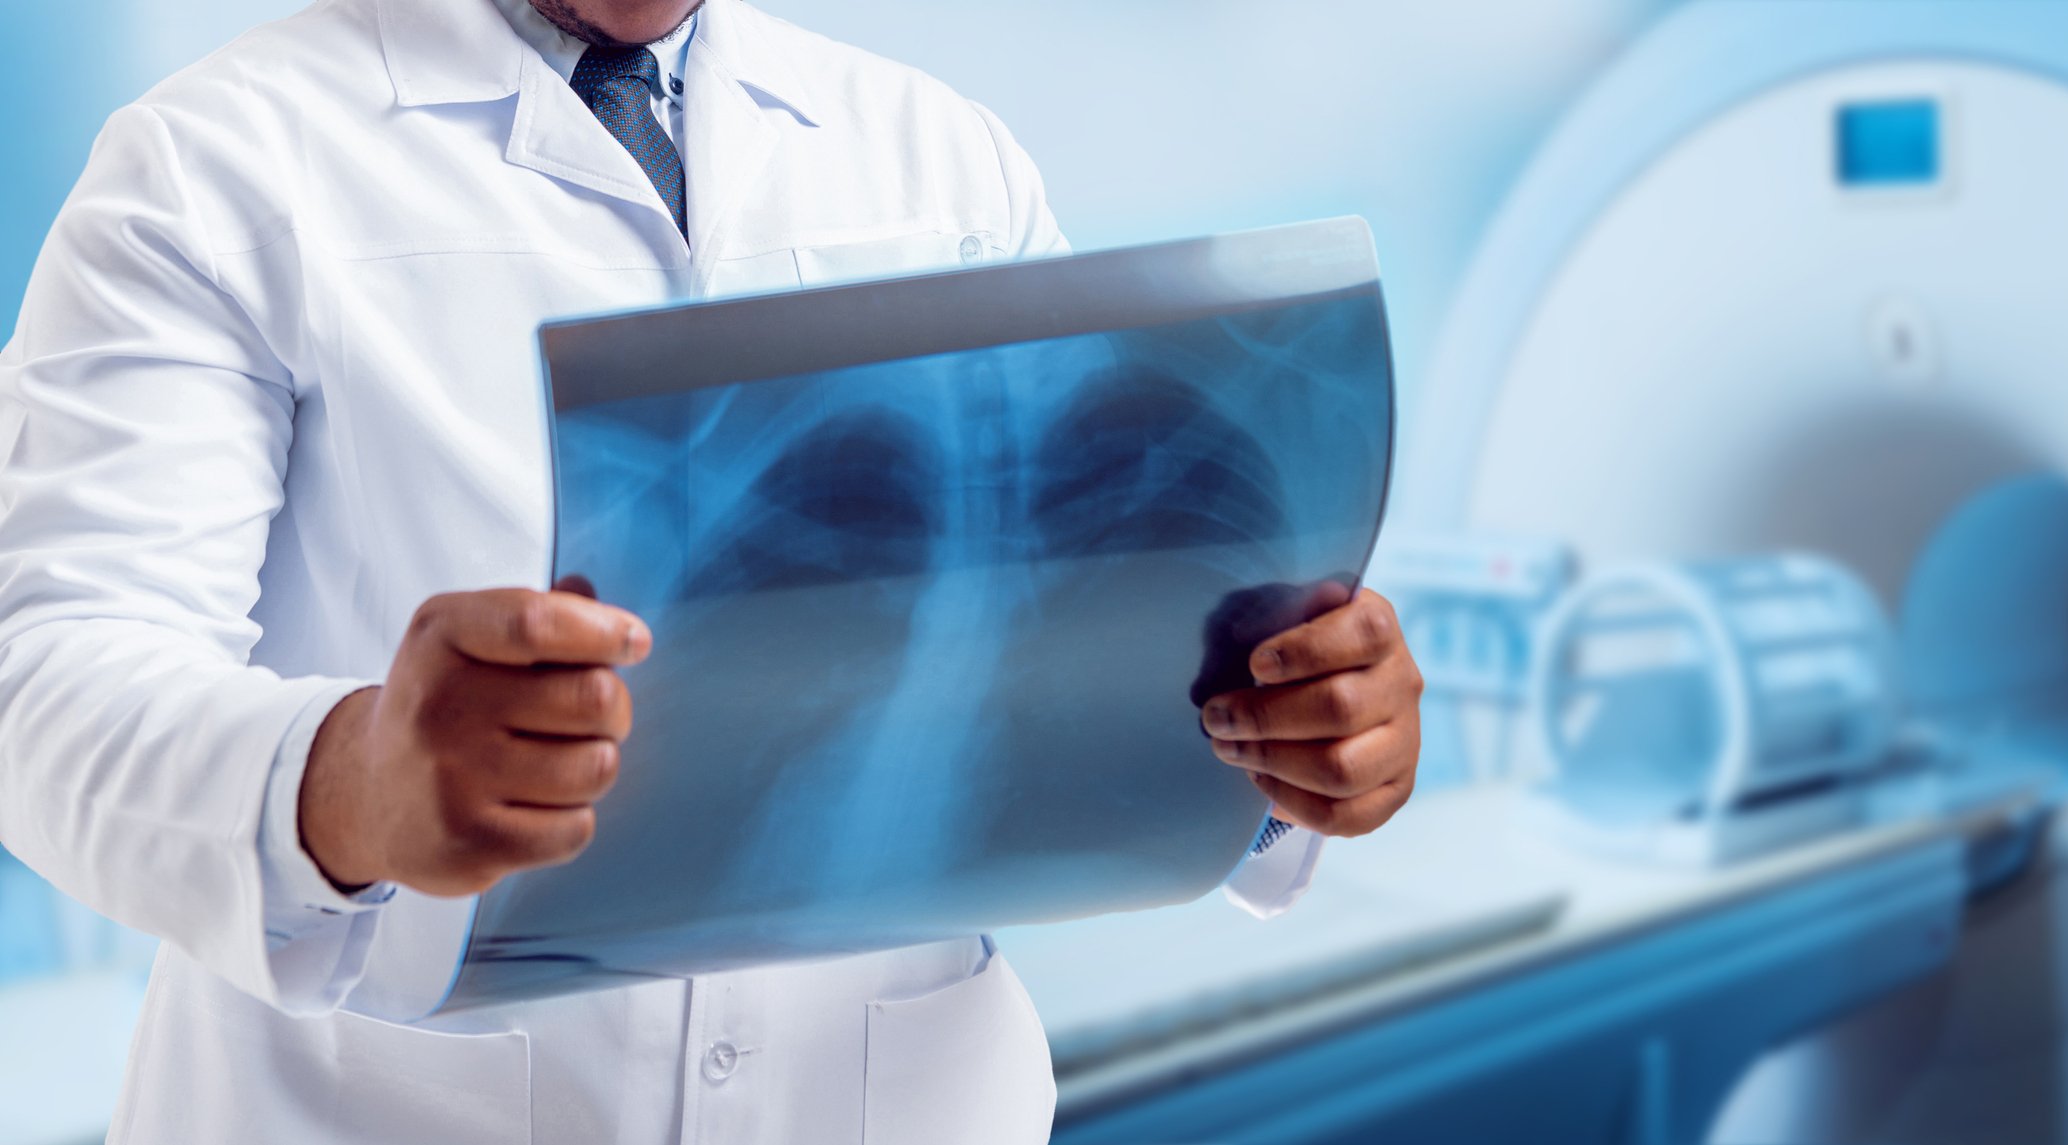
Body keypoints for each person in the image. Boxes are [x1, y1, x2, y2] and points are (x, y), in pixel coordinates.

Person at [0, 0, 1425, 1140]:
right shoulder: (211, 163)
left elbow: (1087, 618)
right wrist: (352, 780)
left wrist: (1289, 742)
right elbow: (48, 680)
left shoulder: (937, 153)